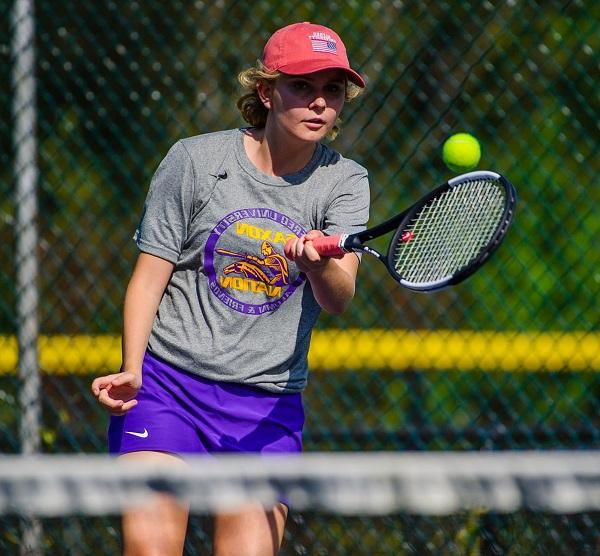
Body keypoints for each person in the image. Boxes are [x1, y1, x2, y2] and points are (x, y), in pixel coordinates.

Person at [91, 21, 369, 556]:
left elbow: (339, 298)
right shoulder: (195, 161)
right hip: (167, 389)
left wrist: (318, 264)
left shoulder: (345, 182)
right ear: (266, 92)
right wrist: (132, 366)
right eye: (302, 87)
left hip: (266, 406)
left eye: (332, 90)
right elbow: (150, 277)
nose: (319, 104)